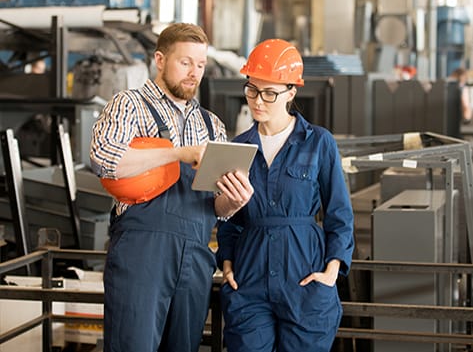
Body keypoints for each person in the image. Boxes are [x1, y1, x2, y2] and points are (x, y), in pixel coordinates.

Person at [90, 22, 253, 352]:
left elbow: (215, 207)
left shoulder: (212, 125)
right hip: (142, 251)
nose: (194, 73)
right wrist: (180, 152)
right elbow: (105, 159)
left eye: (201, 65)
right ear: (160, 60)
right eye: (185, 62)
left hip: (194, 254)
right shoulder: (128, 105)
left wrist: (233, 202)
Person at [216, 39, 355, 352]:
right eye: (252, 89)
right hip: (249, 278)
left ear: (292, 92)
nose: (258, 101)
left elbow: (339, 214)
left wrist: (332, 271)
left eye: (269, 93)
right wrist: (226, 264)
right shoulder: (238, 147)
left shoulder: (319, 143)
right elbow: (229, 217)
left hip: (304, 277)